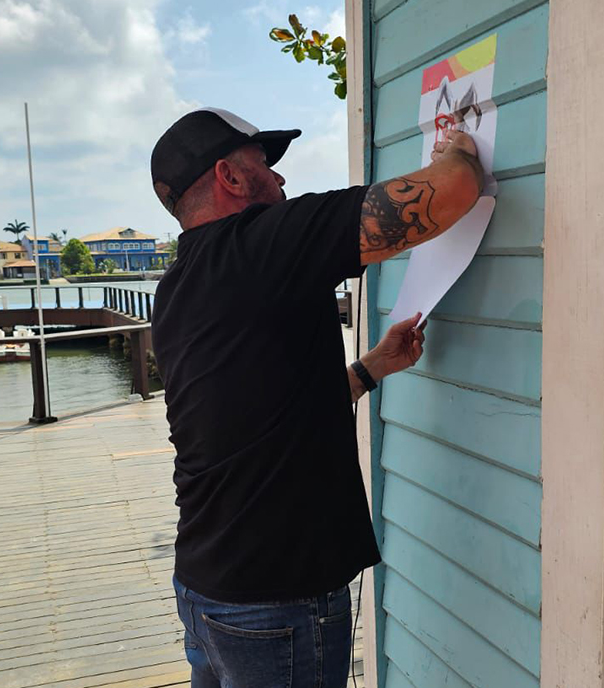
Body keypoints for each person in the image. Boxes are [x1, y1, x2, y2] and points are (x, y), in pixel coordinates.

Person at [150, 107, 483, 688]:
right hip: (276, 603)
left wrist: (371, 368)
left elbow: (259, 411)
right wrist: (455, 152)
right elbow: (450, 192)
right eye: (265, 165)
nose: (280, 181)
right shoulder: (263, 242)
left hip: (207, 590)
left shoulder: (177, 285)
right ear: (229, 176)